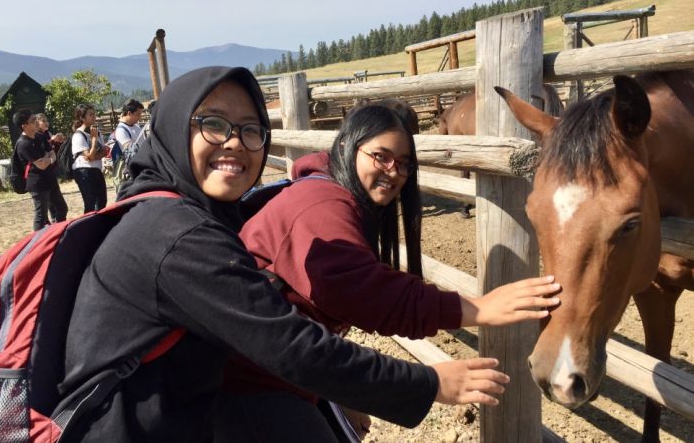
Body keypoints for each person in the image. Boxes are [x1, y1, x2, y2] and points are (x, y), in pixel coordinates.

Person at [58, 66, 511, 442]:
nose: (234, 142)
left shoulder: (191, 213)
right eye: (213, 124)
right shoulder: (177, 235)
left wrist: (335, 396)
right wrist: (429, 381)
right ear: (175, 128)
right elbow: (291, 346)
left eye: (250, 130)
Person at [215, 103, 561, 441]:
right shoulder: (322, 202)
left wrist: (336, 397)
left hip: (268, 369)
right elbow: (364, 292)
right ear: (348, 147)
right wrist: (477, 309)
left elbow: (310, 317)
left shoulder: (328, 192)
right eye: (381, 156)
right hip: (242, 385)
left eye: (405, 164)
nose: (394, 171)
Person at [13, 109, 68, 230]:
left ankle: (57, 233)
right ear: (24, 126)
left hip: (50, 179)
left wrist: (47, 158)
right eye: (33, 120)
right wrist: (49, 158)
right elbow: (41, 165)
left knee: (62, 208)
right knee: (41, 217)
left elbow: (53, 154)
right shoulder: (23, 144)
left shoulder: (40, 136)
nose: (37, 122)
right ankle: (37, 243)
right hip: (37, 184)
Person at [71, 103, 107, 212]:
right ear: (82, 118)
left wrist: (93, 155)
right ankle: (88, 226)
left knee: (102, 201)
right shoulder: (78, 135)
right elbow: (91, 156)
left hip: (96, 169)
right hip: (84, 171)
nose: (94, 117)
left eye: (94, 114)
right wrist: (94, 140)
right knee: (90, 202)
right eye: (90, 115)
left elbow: (104, 152)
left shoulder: (96, 132)